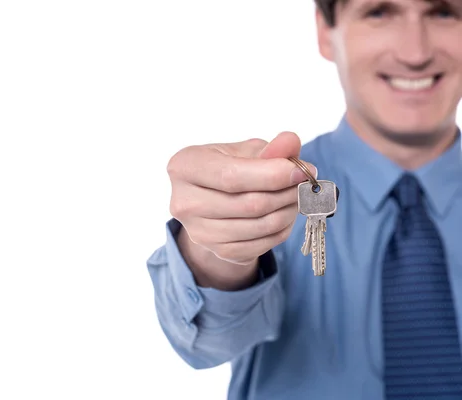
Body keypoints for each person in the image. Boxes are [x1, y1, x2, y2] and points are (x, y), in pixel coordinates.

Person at [146, 0, 462, 398]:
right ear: (325, 32)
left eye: (444, 12)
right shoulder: (275, 188)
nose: (415, 53)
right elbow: (208, 338)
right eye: (379, 11)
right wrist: (220, 254)